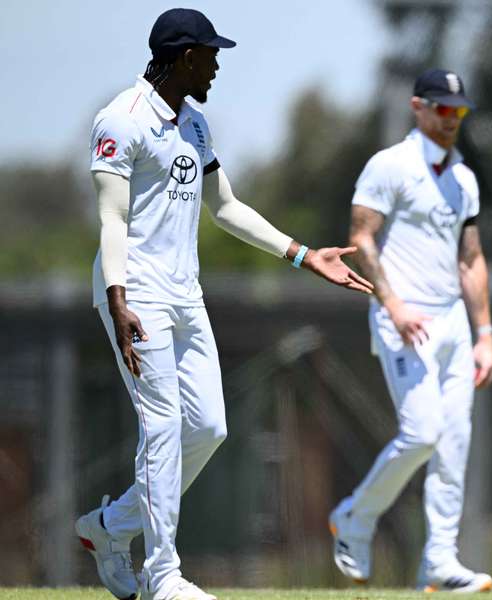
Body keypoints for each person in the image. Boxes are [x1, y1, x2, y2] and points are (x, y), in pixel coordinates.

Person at [75, 9, 373, 600]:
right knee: (161, 427)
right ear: (186, 57)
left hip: (187, 295)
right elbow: (110, 216)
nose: (215, 66)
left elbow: (226, 206)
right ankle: (163, 576)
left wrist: (303, 254)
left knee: (207, 426)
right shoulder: (122, 119)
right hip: (136, 294)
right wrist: (118, 297)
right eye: (210, 55)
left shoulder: (196, 124)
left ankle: (110, 529)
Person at [328, 68, 492, 593]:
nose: (451, 120)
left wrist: (485, 332)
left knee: (454, 442)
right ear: (417, 107)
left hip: (452, 323)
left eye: (458, 111)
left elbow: (470, 260)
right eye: (442, 109)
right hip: (403, 318)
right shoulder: (390, 165)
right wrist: (394, 304)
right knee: (423, 432)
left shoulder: (463, 177)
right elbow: (361, 237)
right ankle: (355, 516)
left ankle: (440, 562)